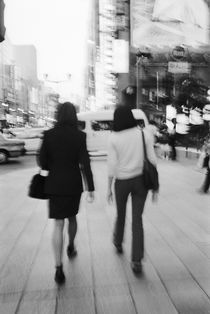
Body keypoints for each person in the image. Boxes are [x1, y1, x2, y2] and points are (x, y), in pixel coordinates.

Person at [38, 102, 95, 285]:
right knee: (72, 217)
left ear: (58, 115)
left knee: (57, 224)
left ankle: (58, 267)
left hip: (54, 184)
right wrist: (91, 188)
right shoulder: (80, 136)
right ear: (74, 116)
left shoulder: (48, 135)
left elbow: (42, 161)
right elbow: (85, 163)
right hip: (73, 184)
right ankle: (71, 246)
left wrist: (52, 166)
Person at [107, 106, 158, 274]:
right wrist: (155, 187)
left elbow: (112, 165)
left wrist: (108, 188)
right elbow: (152, 160)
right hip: (140, 181)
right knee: (137, 220)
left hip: (121, 182)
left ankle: (117, 241)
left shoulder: (113, 138)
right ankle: (136, 261)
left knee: (120, 214)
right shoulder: (144, 134)